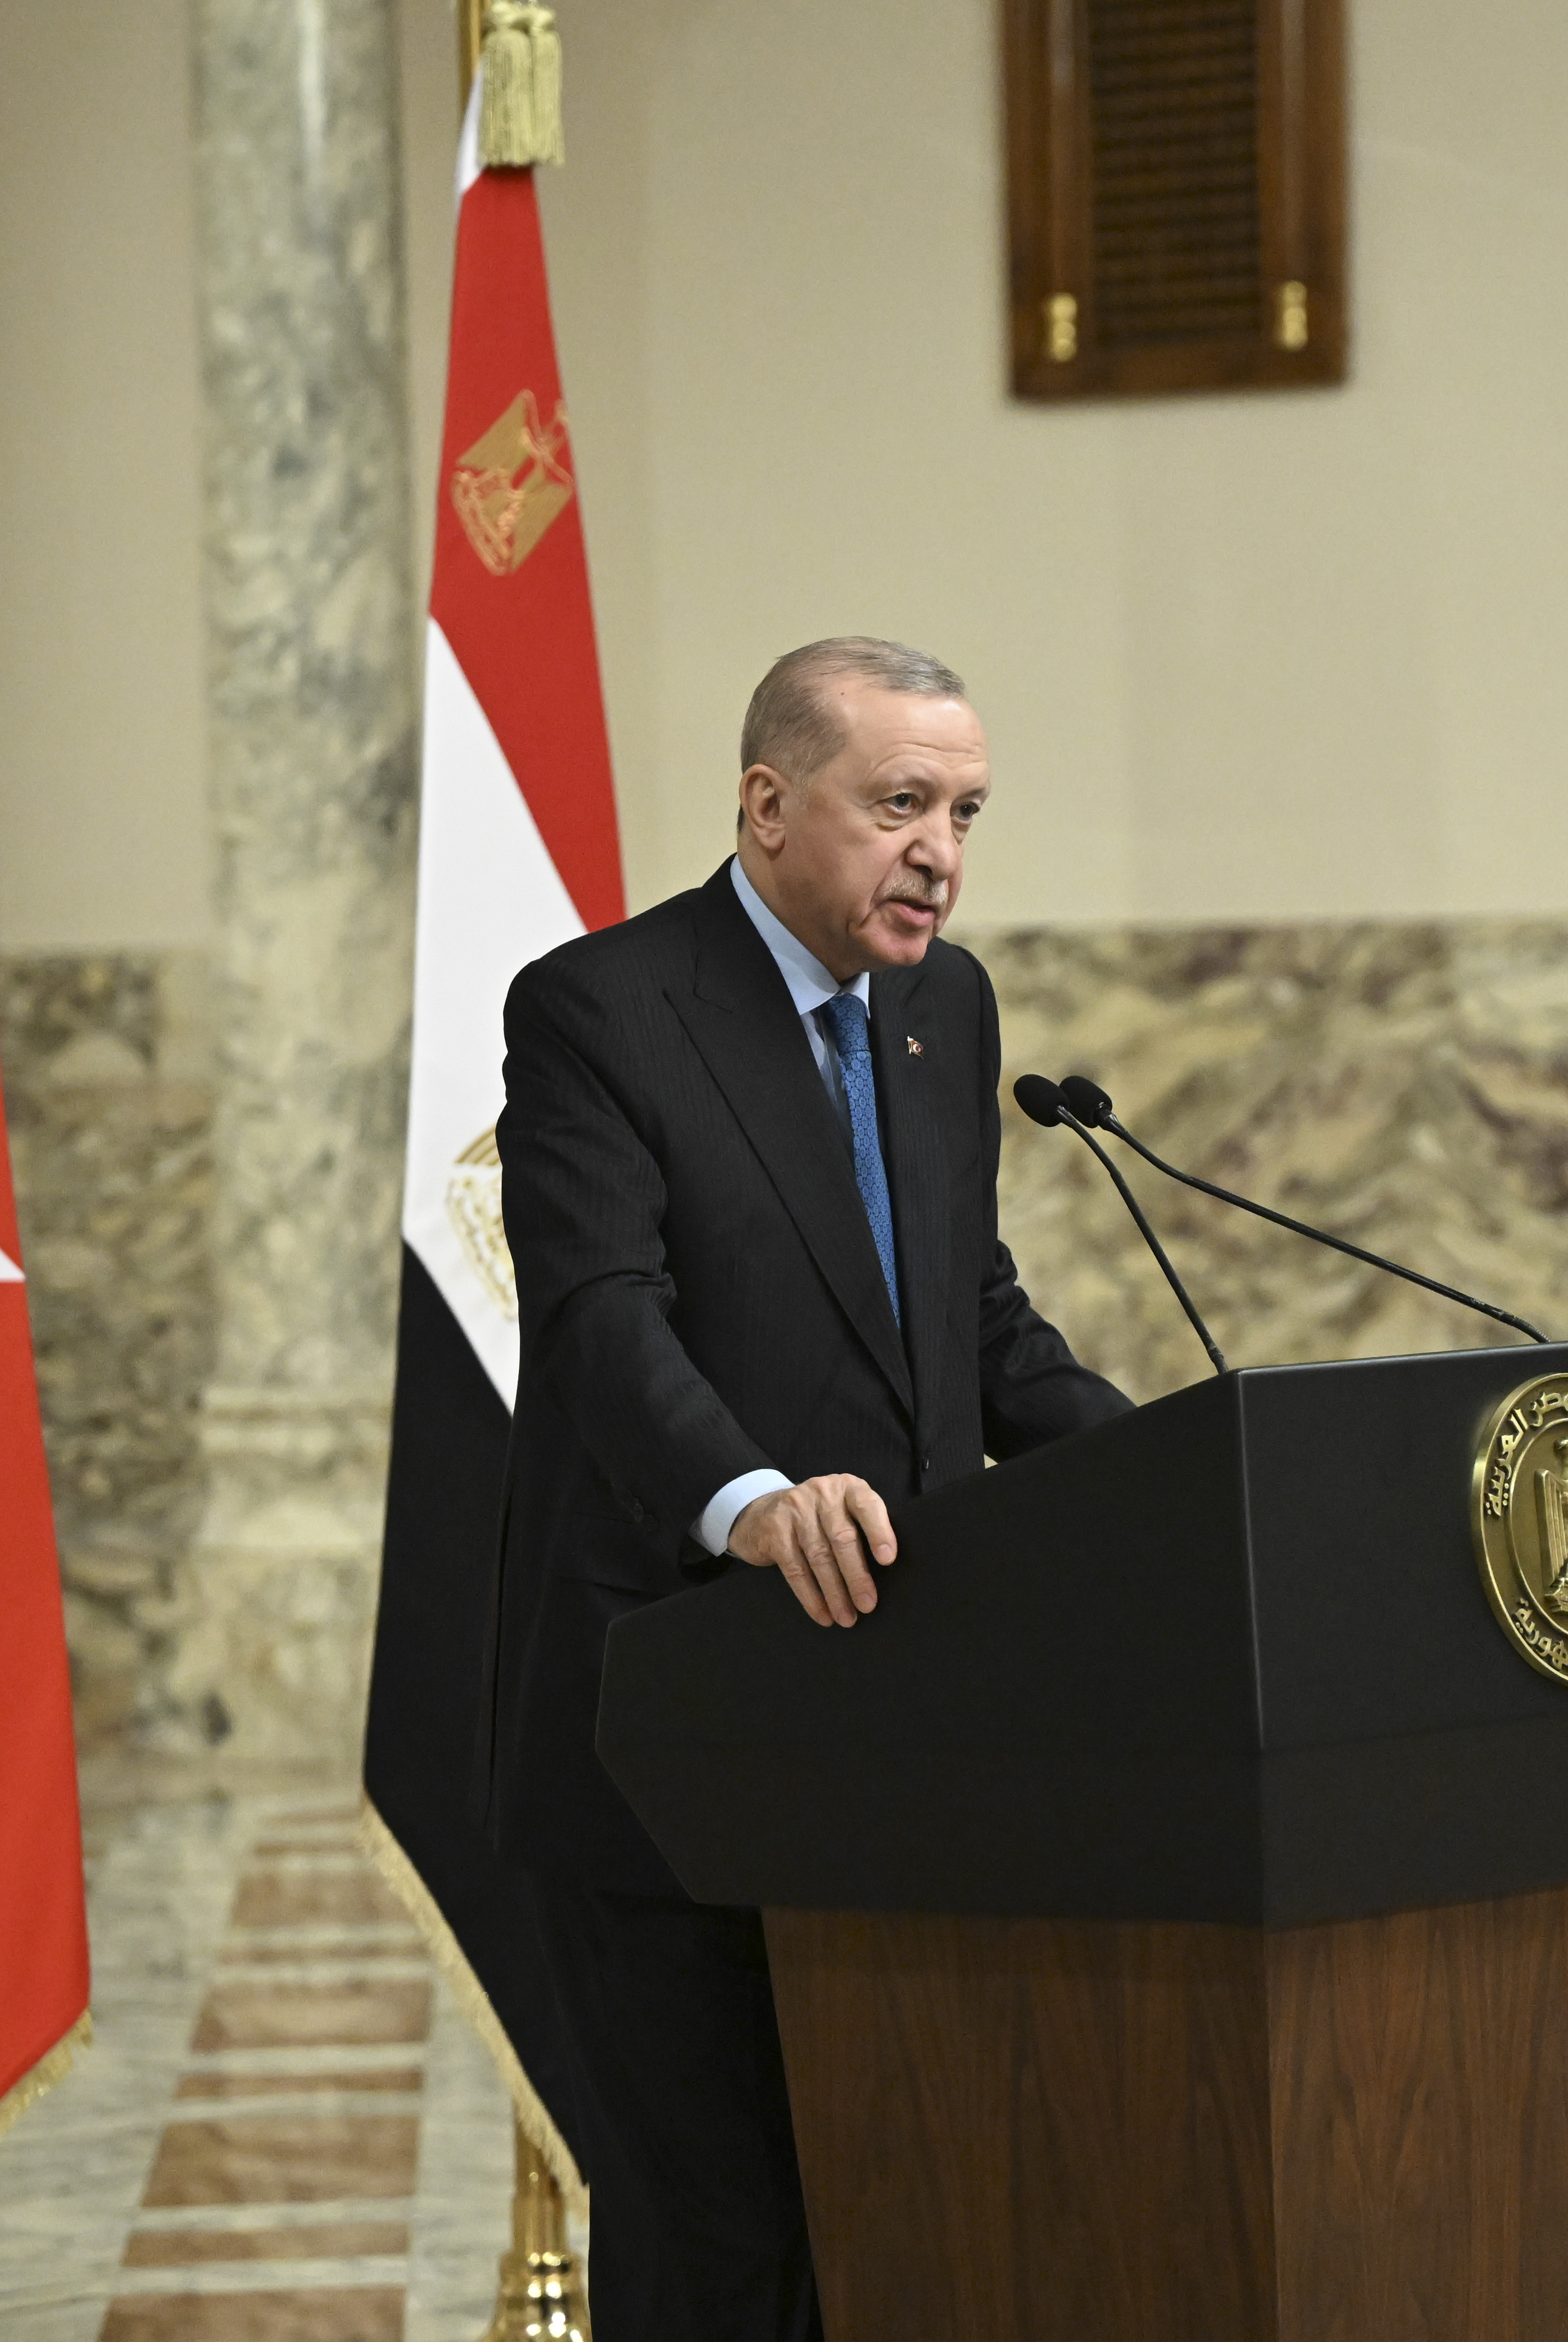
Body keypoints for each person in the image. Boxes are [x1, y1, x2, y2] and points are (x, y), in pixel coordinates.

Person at [487, 637, 1130, 2339]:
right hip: (675, 1715)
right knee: (727, 2241)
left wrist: (1168, 1470)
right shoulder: (601, 1009)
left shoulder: (945, 1007)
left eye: (968, 812)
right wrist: (752, 1495)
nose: (942, 853)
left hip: (898, 1727)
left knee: (897, 2203)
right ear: (771, 806)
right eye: (901, 804)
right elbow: (597, 1318)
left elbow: (965, 1317)